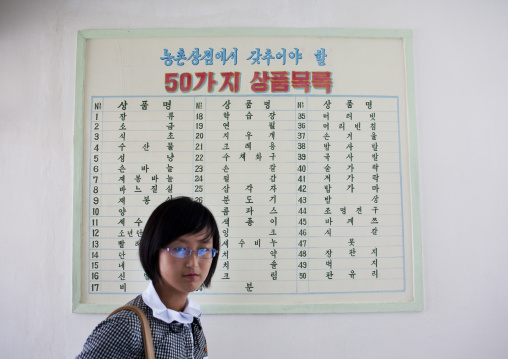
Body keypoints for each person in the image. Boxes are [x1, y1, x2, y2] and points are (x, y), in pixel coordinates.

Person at [76, 196, 220, 359]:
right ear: (153, 250)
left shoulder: (191, 321)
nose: (193, 263)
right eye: (179, 249)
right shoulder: (127, 326)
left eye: (203, 250)